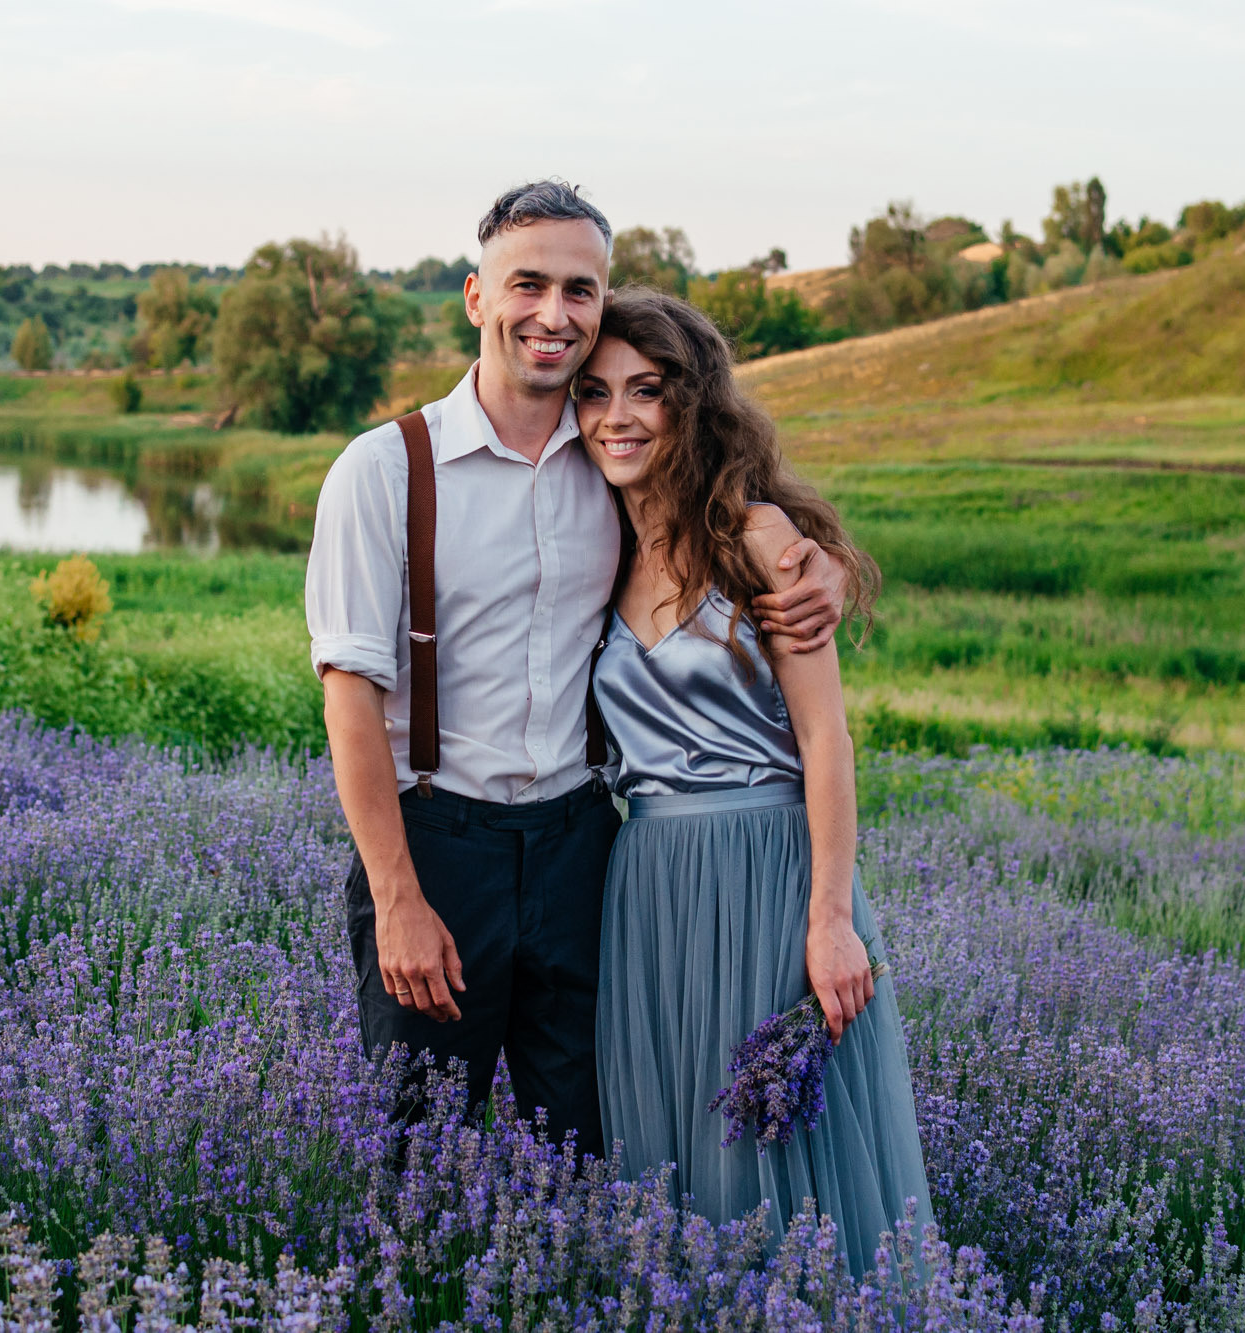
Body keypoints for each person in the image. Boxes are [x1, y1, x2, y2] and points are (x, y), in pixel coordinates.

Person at [305, 181, 850, 1152]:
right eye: (527, 284)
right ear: (476, 297)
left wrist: (828, 575)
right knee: (416, 1146)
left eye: (578, 289)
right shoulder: (382, 470)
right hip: (439, 844)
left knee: (596, 1143)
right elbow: (348, 698)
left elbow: (742, 524)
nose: (552, 315)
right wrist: (397, 900)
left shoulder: (612, 459)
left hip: (582, 848)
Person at [577, 286, 933, 1268]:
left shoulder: (758, 539)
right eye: (593, 392)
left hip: (767, 872)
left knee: (778, 1149)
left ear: (689, 403)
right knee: (674, 1148)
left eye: (644, 390)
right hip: (646, 883)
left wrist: (830, 919)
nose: (616, 416)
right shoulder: (592, 547)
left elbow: (825, 740)